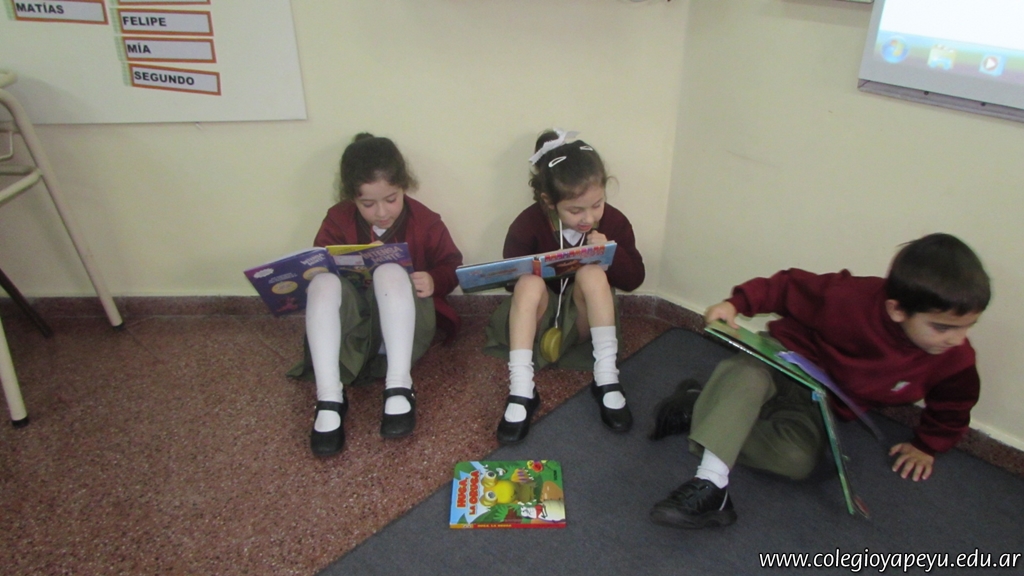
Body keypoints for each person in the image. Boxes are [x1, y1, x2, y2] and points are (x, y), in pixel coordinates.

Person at [648, 233, 991, 529]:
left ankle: (700, 407)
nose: (956, 339)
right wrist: (736, 303)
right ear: (897, 310)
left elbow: (954, 404)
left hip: (818, 403)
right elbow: (787, 287)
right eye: (942, 327)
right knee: (746, 375)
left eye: (967, 327)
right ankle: (711, 485)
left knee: (795, 461)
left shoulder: (954, 358)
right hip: (784, 361)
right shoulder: (849, 297)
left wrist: (928, 445)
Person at [292, 133, 463, 457]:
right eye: (368, 204)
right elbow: (320, 260)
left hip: (403, 331)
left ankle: (399, 384)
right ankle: (329, 396)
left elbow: (452, 264)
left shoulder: (425, 221)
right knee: (322, 283)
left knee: (389, 270)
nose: (382, 212)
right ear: (352, 199)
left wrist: (434, 279)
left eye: (391, 199)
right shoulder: (337, 218)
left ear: (404, 187)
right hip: (353, 332)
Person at [483, 129, 646, 444]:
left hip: (583, 320)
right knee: (528, 283)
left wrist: (609, 253)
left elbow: (634, 279)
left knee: (593, 274)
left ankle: (606, 378)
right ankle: (522, 389)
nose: (589, 218)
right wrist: (538, 268)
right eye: (575, 210)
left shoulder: (614, 222)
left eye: (597, 205)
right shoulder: (528, 223)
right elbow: (511, 283)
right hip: (539, 322)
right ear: (549, 201)